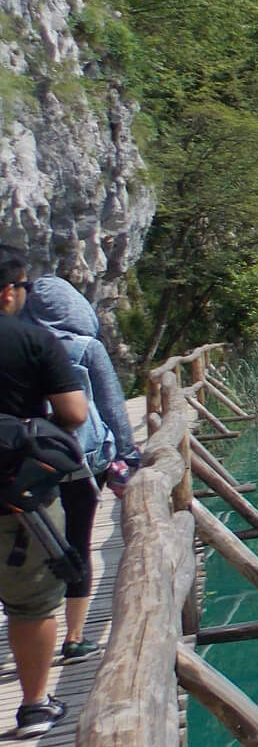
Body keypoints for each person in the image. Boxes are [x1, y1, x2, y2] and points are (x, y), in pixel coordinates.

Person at [24, 276, 139, 663]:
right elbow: (111, 405)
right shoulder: (86, 347)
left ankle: (36, 624)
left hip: (31, 464)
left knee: (35, 547)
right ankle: (74, 637)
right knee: (78, 543)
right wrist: (128, 454)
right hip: (82, 463)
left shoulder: (24, 346)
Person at [0, 249, 90, 737]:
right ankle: (35, 705)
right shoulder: (36, 341)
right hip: (18, 494)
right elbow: (74, 413)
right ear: (9, 291)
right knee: (31, 603)